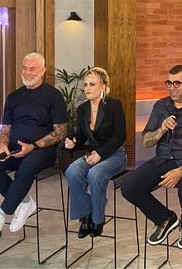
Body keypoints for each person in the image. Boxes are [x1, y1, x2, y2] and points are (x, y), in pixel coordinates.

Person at [121, 64, 182, 249]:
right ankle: (164, 218)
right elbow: (146, 142)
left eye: (177, 83)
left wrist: (180, 171)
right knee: (129, 186)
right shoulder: (161, 106)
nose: (172, 88)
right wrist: (161, 130)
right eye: (169, 83)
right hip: (163, 159)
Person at [0, 52, 68, 241]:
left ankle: (0, 216)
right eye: (24, 68)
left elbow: (61, 131)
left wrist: (33, 146)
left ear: (43, 71)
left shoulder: (53, 96)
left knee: (26, 168)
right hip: (13, 148)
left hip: (42, 151)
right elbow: (5, 129)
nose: (27, 73)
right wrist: (3, 146)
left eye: (32, 69)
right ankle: (24, 201)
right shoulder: (14, 97)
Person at [63, 67, 127, 238]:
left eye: (92, 84)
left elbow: (120, 136)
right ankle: (85, 215)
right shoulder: (82, 108)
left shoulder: (113, 105)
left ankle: (97, 220)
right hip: (93, 154)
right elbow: (81, 135)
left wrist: (100, 154)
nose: (87, 88)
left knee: (95, 174)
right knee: (72, 171)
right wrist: (73, 141)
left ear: (104, 86)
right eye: (85, 84)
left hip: (115, 155)